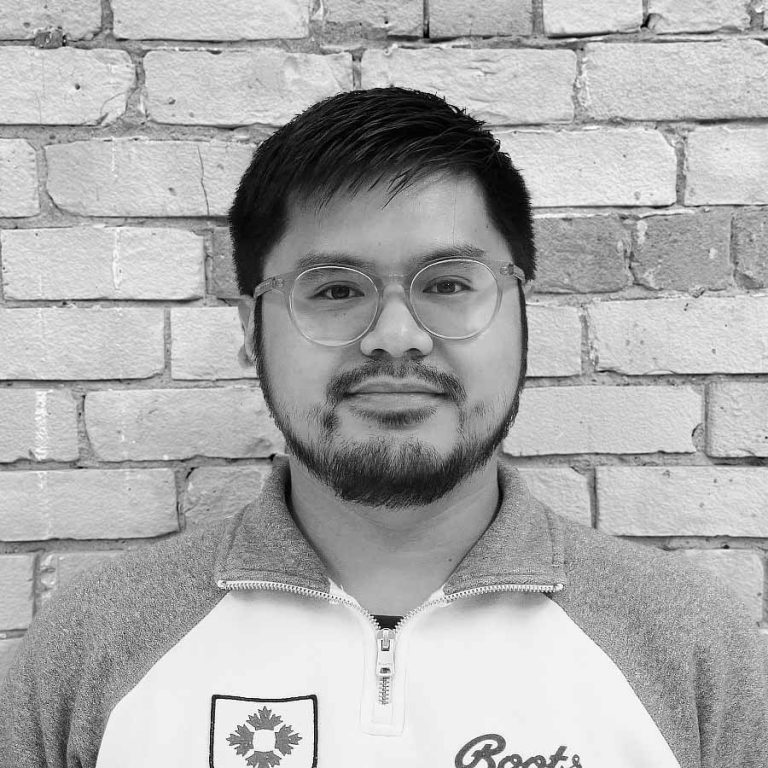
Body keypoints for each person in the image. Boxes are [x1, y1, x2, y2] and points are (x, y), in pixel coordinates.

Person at [1, 87, 766, 768]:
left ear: (521, 311)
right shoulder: (94, 649)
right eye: (335, 290)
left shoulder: (691, 651)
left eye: (449, 284)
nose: (397, 336)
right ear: (251, 327)